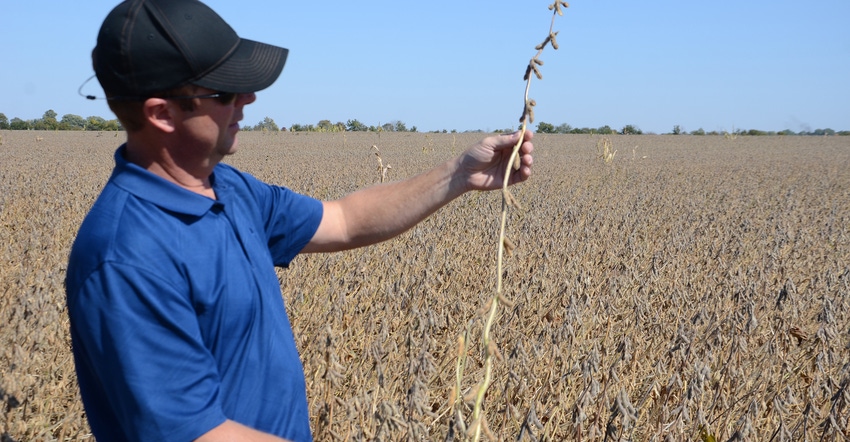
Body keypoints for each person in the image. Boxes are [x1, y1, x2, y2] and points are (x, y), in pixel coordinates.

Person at [65, 0, 534, 441]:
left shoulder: (229, 189)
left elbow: (345, 220)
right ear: (161, 113)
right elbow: (195, 434)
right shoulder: (125, 258)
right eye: (225, 91)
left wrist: (459, 175)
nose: (247, 97)